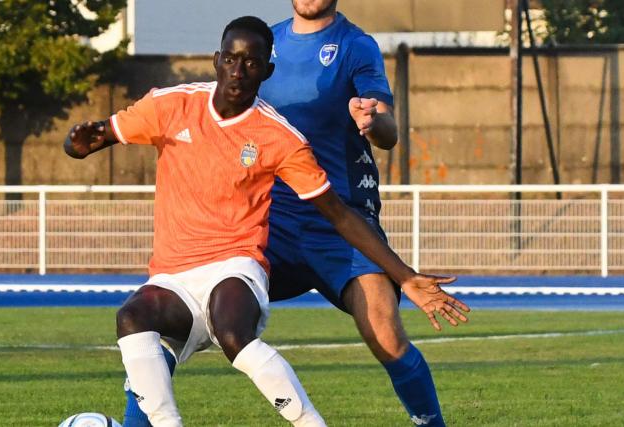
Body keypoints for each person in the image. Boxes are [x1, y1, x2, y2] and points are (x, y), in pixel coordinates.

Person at [67, 15, 466, 427]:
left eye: (251, 64)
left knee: (381, 332)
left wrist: (404, 275)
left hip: (323, 227)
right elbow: (98, 135)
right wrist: (79, 143)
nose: (239, 71)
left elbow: (377, 150)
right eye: (231, 60)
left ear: (266, 70)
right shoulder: (186, 94)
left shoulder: (350, 51)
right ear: (217, 59)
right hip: (271, 223)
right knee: (149, 325)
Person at [258, 1, 470, 426]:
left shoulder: (356, 45)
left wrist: (373, 122)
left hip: (342, 223)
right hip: (271, 219)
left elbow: (389, 132)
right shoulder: (264, 42)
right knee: (195, 312)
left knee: (386, 335)